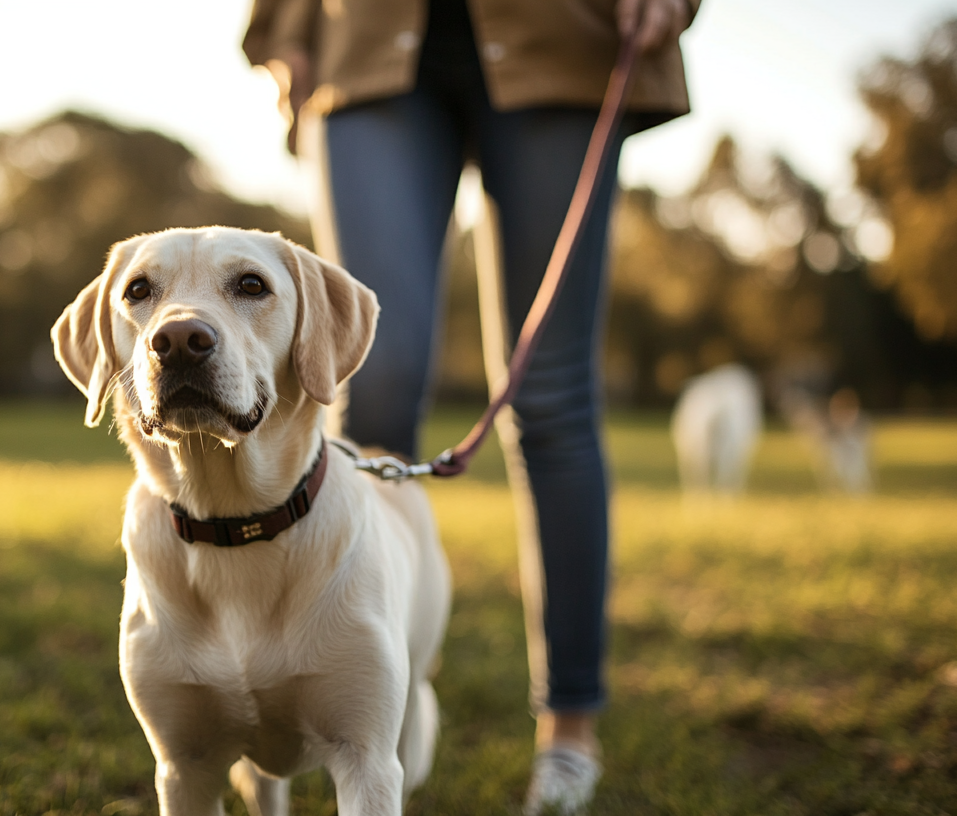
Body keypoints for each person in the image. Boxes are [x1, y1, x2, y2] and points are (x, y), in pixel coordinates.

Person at [244, 0, 698, 812]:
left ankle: (568, 728)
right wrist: (279, 26)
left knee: (552, 399)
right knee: (368, 384)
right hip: (366, 38)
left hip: (567, 30)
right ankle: (331, 690)